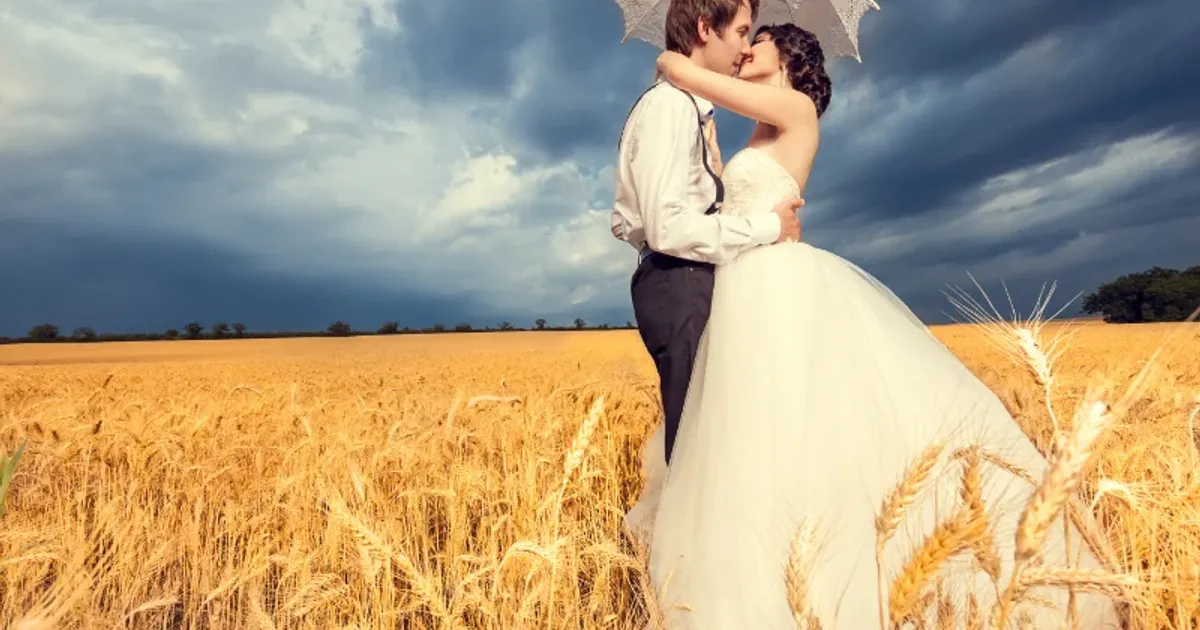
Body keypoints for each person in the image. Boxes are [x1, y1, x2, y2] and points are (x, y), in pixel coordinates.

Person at [624, 22, 1125, 630]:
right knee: (754, 432)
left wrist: (675, 64)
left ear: (789, 58)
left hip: (775, 286)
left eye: (758, 41)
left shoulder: (795, 107)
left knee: (785, 430)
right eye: (742, 36)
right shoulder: (758, 128)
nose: (746, 48)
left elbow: (688, 75)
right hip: (740, 281)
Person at [611, 0, 805, 472]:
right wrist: (768, 226)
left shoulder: (683, 110)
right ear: (704, 28)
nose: (744, 46)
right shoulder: (671, 105)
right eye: (741, 32)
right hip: (679, 279)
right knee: (698, 451)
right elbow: (667, 227)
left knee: (706, 438)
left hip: (683, 278)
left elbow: (630, 220)